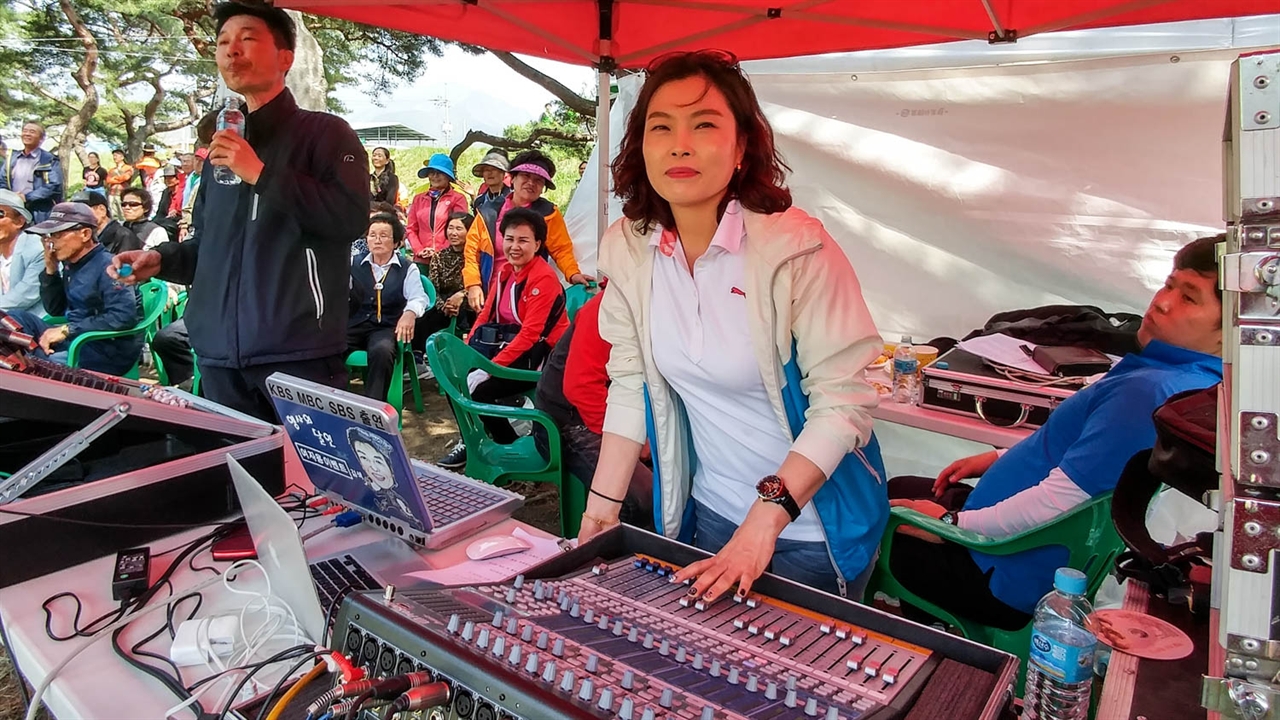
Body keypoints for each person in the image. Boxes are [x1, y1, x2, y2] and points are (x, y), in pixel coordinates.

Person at [577, 50, 887, 603]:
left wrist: (763, 522)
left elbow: (843, 403)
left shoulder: (798, 250)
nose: (680, 143)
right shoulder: (626, 250)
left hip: (810, 532)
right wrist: (601, 509)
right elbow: (629, 384)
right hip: (709, 512)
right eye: (661, 127)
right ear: (640, 146)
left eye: (704, 125)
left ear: (742, 146)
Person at [883, 235, 1225, 629]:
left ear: (1225, 331)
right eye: (1168, 284)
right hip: (1012, 543)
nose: (1162, 301)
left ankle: (936, 649)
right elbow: (1078, 455)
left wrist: (951, 524)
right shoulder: (1182, 377)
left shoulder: (1145, 391)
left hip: (1002, 570)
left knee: (881, 514)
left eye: (1189, 297)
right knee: (905, 486)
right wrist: (995, 459)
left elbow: (1060, 500)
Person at [109, 1, 368, 421]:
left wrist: (262, 174)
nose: (232, 51)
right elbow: (210, 247)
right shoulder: (221, 150)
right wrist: (160, 260)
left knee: (310, 483)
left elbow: (348, 219)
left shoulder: (325, 134)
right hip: (218, 356)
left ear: (286, 57)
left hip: (297, 352)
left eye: (247, 39)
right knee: (239, 477)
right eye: (223, 42)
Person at [439, 207, 568, 470]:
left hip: (541, 358)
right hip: (509, 349)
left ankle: (505, 445)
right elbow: (485, 315)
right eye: (509, 239)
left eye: (523, 240)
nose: (514, 247)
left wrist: (489, 368)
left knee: (481, 390)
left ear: (538, 244)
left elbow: (531, 335)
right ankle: (473, 440)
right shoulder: (505, 272)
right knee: (454, 383)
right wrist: (467, 352)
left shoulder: (543, 278)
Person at [534, 285, 655, 530]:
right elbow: (581, 387)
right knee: (642, 498)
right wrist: (638, 442)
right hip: (567, 423)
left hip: (606, 410)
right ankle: (620, 561)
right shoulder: (603, 308)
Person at [5, 202, 142, 375]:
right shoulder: (72, 264)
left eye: (57, 235)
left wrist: (67, 330)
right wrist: (51, 270)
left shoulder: (110, 266)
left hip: (105, 347)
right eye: (48, 237)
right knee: (10, 321)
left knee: (28, 361)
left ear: (85, 234)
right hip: (76, 336)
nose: (50, 244)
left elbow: (123, 316)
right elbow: (55, 309)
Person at [462, 149, 592, 313]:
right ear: (513, 178)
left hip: (529, 294)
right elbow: (472, 251)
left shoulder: (548, 213)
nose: (531, 183)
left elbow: (561, 249)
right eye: (526, 176)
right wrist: (473, 284)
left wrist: (573, 274)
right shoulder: (488, 212)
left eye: (538, 180)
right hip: (490, 293)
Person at [347, 212, 429, 401]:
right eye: (372, 235)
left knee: (382, 351)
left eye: (384, 236)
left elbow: (418, 297)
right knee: (329, 347)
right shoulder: (354, 263)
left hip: (385, 327)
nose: (377, 240)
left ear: (397, 242)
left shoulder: (407, 267)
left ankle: (374, 409)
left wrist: (409, 313)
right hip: (354, 324)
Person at [414, 211, 474, 346]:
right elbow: (433, 288)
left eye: (459, 229)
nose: (453, 233)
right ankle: (418, 355)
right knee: (422, 317)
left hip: (468, 304)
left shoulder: (476, 257)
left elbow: (481, 285)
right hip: (444, 306)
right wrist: (444, 307)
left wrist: (462, 295)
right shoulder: (439, 257)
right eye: (450, 228)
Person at [406, 154, 468, 263]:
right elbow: (411, 228)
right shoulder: (418, 199)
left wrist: (440, 251)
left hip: (448, 260)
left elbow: (459, 229)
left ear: (448, 176)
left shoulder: (458, 198)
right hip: (421, 259)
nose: (435, 176)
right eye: (431, 172)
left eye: (439, 173)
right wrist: (419, 249)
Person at [0, 122, 64, 223]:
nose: (27, 134)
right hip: (13, 209)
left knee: (38, 237)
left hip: (39, 211)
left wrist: (26, 197)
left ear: (42, 138)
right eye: (25, 131)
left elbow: (54, 185)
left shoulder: (49, 159)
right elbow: (2, 181)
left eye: (32, 132)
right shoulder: (11, 158)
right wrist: (11, 197)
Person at [0, 189, 45, 315]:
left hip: (38, 322)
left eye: (0, 214)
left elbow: (26, 296)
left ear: (19, 221)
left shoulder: (37, 249)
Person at [469, 150, 510, 246]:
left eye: (494, 169)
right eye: (486, 170)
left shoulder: (513, 197)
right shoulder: (479, 201)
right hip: (486, 250)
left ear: (503, 173)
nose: (490, 173)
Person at [105, 148, 134, 220]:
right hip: (112, 194)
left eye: (116, 155)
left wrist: (114, 179)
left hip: (123, 193)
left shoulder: (128, 168)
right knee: (113, 213)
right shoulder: (112, 170)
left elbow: (125, 177)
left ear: (122, 157)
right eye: (114, 156)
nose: (114, 157)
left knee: (123, 213)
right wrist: (118, 179)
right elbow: (108, 180)